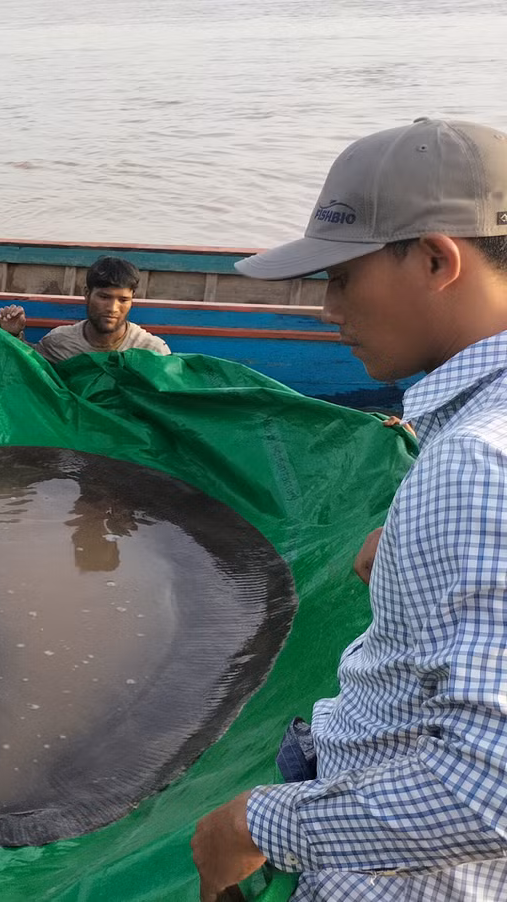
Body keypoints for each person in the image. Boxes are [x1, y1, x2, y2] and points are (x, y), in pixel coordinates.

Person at [192, 118, 507, 902]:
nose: (328, 309)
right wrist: (402, 544)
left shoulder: (476, 461)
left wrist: (254, 826)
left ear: (437, 259)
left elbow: (486, 789)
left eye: (342, 277)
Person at [0, 256, 170, 362]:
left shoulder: (151, 350)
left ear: (133, 300)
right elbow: (28, 368)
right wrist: (12, 335)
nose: (113, 308)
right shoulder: (60, 342)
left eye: (123, 300)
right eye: (104, 297)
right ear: (87, 294)